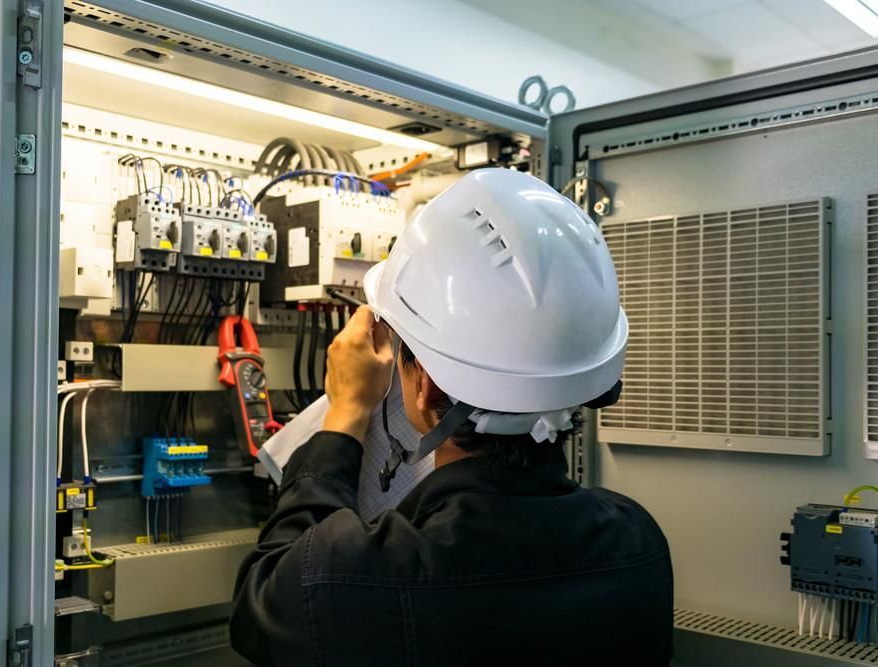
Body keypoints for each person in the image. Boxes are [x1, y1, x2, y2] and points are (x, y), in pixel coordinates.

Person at [230, 168, 673, 666]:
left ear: (425, 389)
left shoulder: (356, 574)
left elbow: (263, 599)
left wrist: (347, 413)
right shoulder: (639, 545)